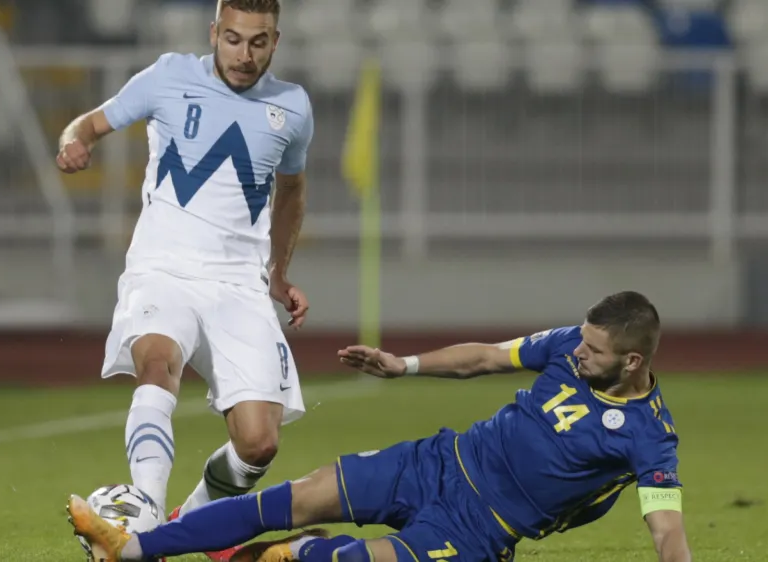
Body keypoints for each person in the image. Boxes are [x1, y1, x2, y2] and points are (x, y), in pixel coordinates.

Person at [67, 291, 692, 562]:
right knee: (299, 495)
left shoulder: (649, 438)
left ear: (632, 362)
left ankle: (298, 553)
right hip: (440, 461)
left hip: (477, 530)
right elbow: (483, 358)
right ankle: (131, 547)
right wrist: (407, 364)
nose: (579, 353)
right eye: (580, 341)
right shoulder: (565, 346)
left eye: (593, 350)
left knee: (329, 558)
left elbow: (667, 532)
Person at [55, 0, 315, 553]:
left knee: (258, 444)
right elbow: (90, 123)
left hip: (239, 284)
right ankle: (142, 512)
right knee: (157, 359)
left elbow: (291, 193)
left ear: (276, 41)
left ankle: (181, 524)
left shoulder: (292, 108)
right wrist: (72, 143)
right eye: (234, 39)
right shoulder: (168, 76)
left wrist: (279, 273)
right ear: (214, 32)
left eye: (259, 42)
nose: (245, 55)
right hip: (163, 266)